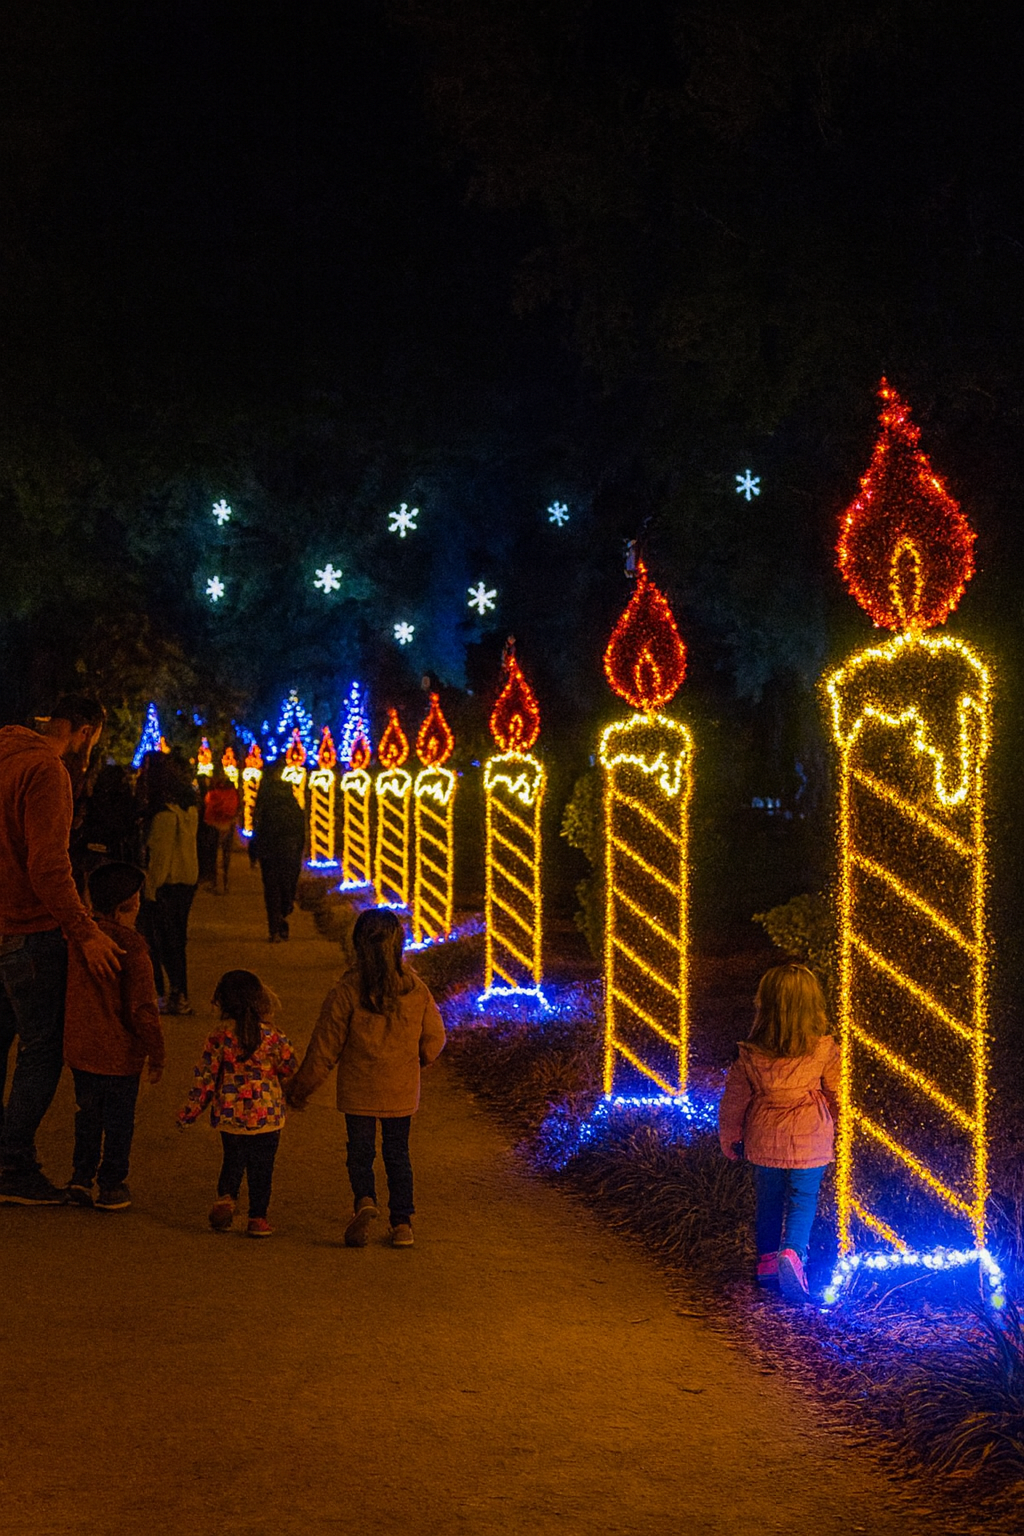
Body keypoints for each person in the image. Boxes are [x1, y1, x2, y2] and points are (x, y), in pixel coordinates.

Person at [0, 696, 123, 1205]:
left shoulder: (6, 755)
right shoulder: (47, 772)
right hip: (30, 930)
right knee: (42, 1049)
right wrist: (85, 930)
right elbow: (48, 866)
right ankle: (12, 1165)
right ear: (87, 732)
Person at [286, 908, 446, 1249]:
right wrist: (419, 1059)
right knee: (397, 1153)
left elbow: (325, 1047)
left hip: (358, 1089)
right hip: (400, 1092)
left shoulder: (346, 991)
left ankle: (364, 1200)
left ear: (358, 944)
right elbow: (435, 1037)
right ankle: (402, 1222)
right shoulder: (416, 989)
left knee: (360, 1151)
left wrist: (300, 1089)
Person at [718, 961, 840, 1303]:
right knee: (803, 1200)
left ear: (766, 1005)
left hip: (764, 1138)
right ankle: (793, 1254)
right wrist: (841, 1127)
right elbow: (838, 1093)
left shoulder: (751, 1054)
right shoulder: (824, 1050)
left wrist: (730, 1134)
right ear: (814, 1005)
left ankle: (768, 1263)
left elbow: (735, 1099)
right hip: (809, 1139)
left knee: (769, 1201)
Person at [64, 862, 165, 1212]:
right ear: (129, 905)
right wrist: (157, 1053)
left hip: (82, 1048)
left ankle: (80, 1177)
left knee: (87, 1114)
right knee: (119, 1121)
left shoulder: (80, 941)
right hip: (120, 1055)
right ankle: (111, 1185)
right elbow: (142, 1008)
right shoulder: (132, 947)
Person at [176, 969, 297, 1237]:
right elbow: (289, 1065)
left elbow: (205, 1078)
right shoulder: (272, 1036)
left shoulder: (219, 1037)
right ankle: (257, 1218)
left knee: (233, 1159)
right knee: (262, 1167)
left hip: (230, 1114)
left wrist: (189, 1112)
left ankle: (226, 1199)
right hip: (267, 1116)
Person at [144, 754, 199, 1015]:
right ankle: (180, 993)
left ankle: (175, 992)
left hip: (168, 884)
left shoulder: (165, 815)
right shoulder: (188, 810)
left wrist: (150, 890)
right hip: (186, 881)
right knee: (176, 940)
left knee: (166, 942)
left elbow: (160, 857)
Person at [250, 763, 305, 942]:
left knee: (272, 890)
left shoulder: (267, 801)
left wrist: (255, 851)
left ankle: (275, 925)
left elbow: (257, 827)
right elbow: (300, 828)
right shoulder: (290, 803)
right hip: (285, 852)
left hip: (272, 852)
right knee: (284, 888)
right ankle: (279, 920)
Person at [203, 769, 240, 894]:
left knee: (214, 855)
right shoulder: (233, 793)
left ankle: (215, 883)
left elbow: (208, 804)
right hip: (228, 825)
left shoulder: (214, 793)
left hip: (214, 825)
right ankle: (225, 883)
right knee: (225, 855)